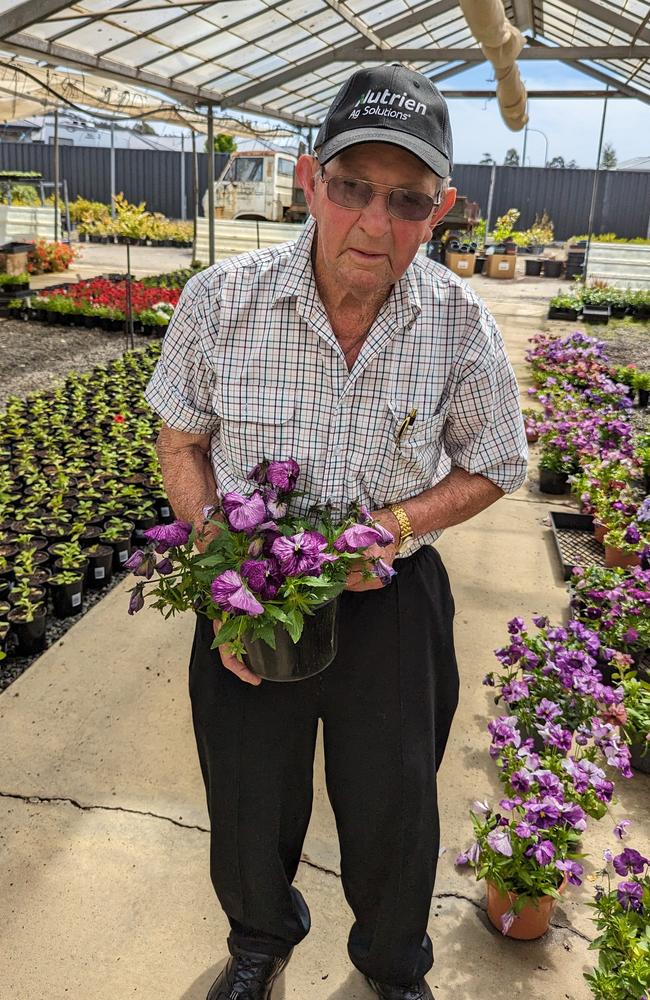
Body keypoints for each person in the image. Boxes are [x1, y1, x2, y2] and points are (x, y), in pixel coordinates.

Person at [144, 63, 527, 1000]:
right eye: (353, 187)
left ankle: (393, 966)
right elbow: (180, 441)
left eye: (406, 200)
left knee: (395, 805)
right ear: (311, 180)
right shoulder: (221, 301)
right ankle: (259, 942)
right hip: (251, 592)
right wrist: (220, 559)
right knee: (247, 790)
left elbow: (499, 462)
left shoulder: (457, 324)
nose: (373, 220)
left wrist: (394, 526)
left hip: (391, 602)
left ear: (435, 215)